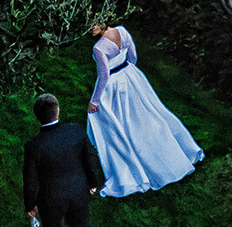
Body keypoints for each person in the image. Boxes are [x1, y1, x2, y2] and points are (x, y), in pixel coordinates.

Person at [84, 22, 204, 196]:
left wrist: (94, 101)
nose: (89, 30)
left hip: (114, 85)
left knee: (115, 121)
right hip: (132, 76)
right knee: (147, 113)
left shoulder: (99, 48)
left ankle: (129, 163)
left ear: (102, 22)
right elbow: (132, 56)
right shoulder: (122, 31)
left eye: (92, 26)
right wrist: (130, 72)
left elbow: (104, 76)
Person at [23, 91, 104, 227]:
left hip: (50, 200)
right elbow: (89, 159)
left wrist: (30, 205)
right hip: (78, 191)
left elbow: (30, 179)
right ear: (58, 110)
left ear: (36, 116)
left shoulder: (33, 146)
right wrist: (93, 183)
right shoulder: (76, 131)